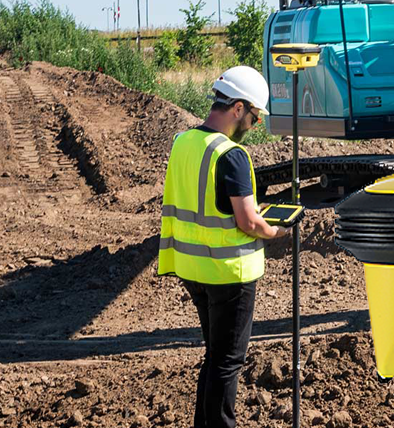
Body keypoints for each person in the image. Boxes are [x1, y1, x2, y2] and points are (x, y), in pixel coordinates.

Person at [157, 66, 288, 428]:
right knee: (227, 363)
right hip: (230, 274)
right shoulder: (231, 155)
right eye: (255, 117)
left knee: (215, 358)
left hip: (192, 269)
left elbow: (207, 204)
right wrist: (276, 231)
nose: (254, 125)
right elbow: (248, 223)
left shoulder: (183, 141)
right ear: (238, 108)